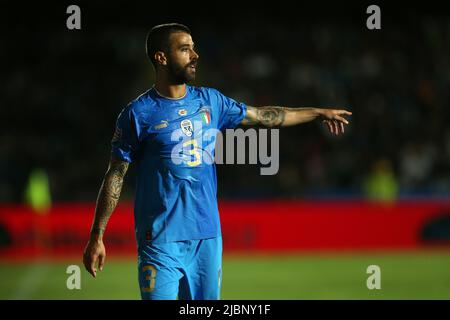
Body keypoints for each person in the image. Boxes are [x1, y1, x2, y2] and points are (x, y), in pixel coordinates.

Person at [82, 23, 352, 300]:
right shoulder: (138, 114)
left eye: (194, 48)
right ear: (161, 58)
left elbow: (263, 116)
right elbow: (115, 174)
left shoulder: (211, 101)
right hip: (160, 241)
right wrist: (97, 235)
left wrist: (318, 112)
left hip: (207, 237)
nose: (195, 55)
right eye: (185, 49)